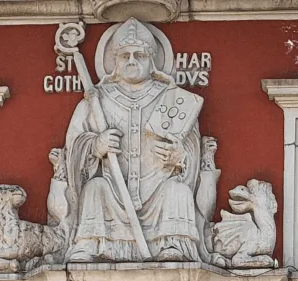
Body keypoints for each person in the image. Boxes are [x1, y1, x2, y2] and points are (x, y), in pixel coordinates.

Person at [65, 19, 204, 263]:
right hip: (114, 189)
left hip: (158, 189)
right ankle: (92, 244)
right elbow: (75, 143)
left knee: (178, 191)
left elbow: (191, 147)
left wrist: (178, 156)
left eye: (139, 55)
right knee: (94, 189)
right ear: (115, 61)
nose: (131, 61)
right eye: (125, 55)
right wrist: (96, 145)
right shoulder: (98, 100)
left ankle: (171, 244)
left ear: (151, 60)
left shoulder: (172, 99)